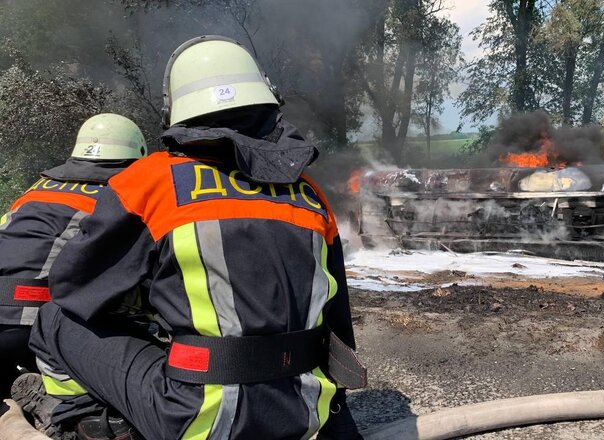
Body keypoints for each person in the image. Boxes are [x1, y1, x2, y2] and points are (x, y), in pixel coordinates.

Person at [23, 35, 365, 440]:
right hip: (304, 415)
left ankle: (85, 421)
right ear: (268, 102)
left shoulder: (151, 181)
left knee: (55, 317)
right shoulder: (310, 194)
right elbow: (338, 327)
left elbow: (74, 287)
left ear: (176, 113)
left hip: (197, 420)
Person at [0, 113, 147, 399]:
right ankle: (65, 408)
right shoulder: (121, 195)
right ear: (137, 157)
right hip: (37, 324)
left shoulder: (38, 187)